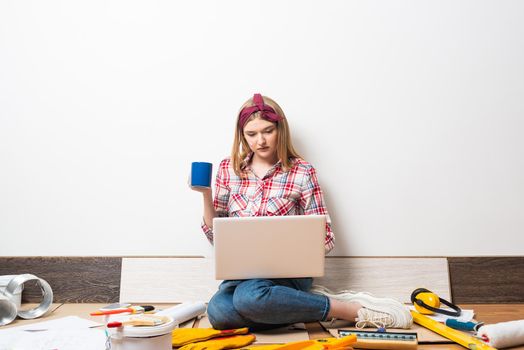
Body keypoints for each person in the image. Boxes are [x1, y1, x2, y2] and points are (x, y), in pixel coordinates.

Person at [190, 93, 412, 331]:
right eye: (251, 134)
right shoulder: (228, 169)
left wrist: (287, 249)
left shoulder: (302, 171)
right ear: (242, 135)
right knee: (219, 313)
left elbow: (326, 237)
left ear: (280, 130)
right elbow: (216, 235)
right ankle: (299, 306)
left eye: (268, 131)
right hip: (242, 276)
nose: (260, 141)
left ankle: (347, 309)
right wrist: (205, 194)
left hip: (287, 274)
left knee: (248, 299)